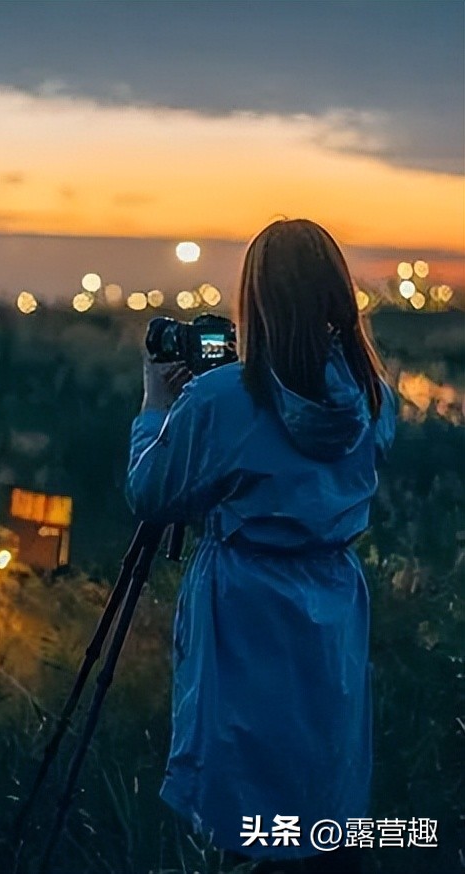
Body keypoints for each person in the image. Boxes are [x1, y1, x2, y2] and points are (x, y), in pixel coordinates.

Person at [126, 219, 396, 874]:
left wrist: (158, 405)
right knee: (322, 785)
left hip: (245, 608)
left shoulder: (223, 399)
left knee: (243, 797)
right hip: (332, 606)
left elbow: (153, 495)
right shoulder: (375, 397)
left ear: (258, 301)